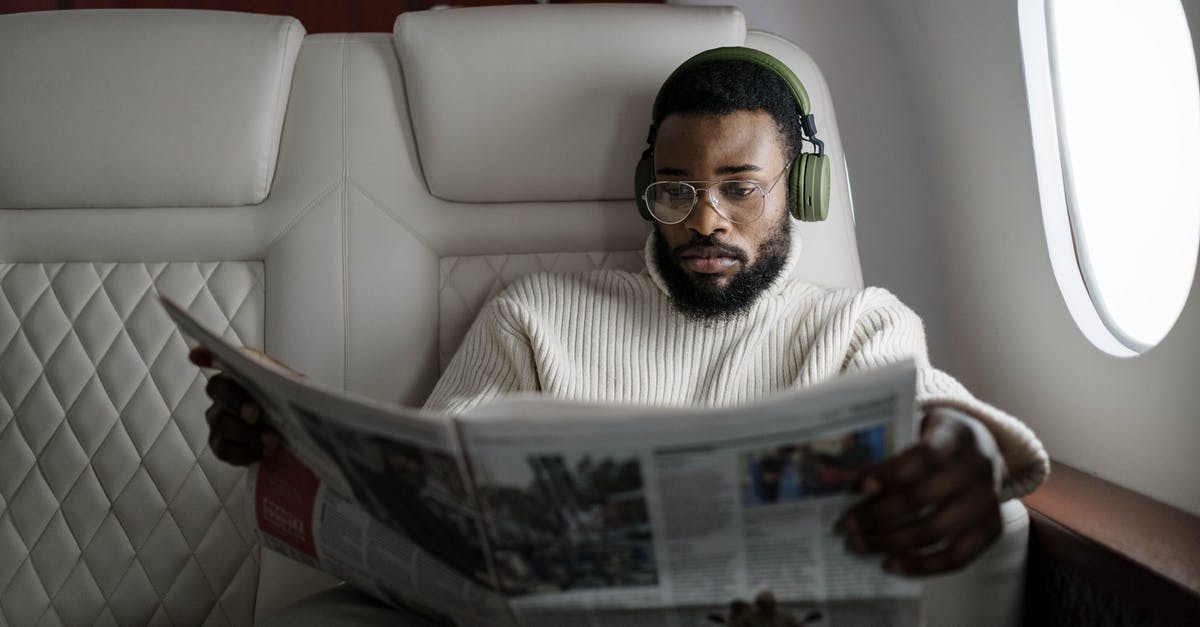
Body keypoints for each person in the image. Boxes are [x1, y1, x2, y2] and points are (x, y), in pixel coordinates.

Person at [195, 46, 1048, 617]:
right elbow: (432, 489)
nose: (705, 219)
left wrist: (963, 442)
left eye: (741, 188)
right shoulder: (534, 316)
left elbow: (942, 413)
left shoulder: (858, 324)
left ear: (802, 192)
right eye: (676, 190)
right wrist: (297, 431)